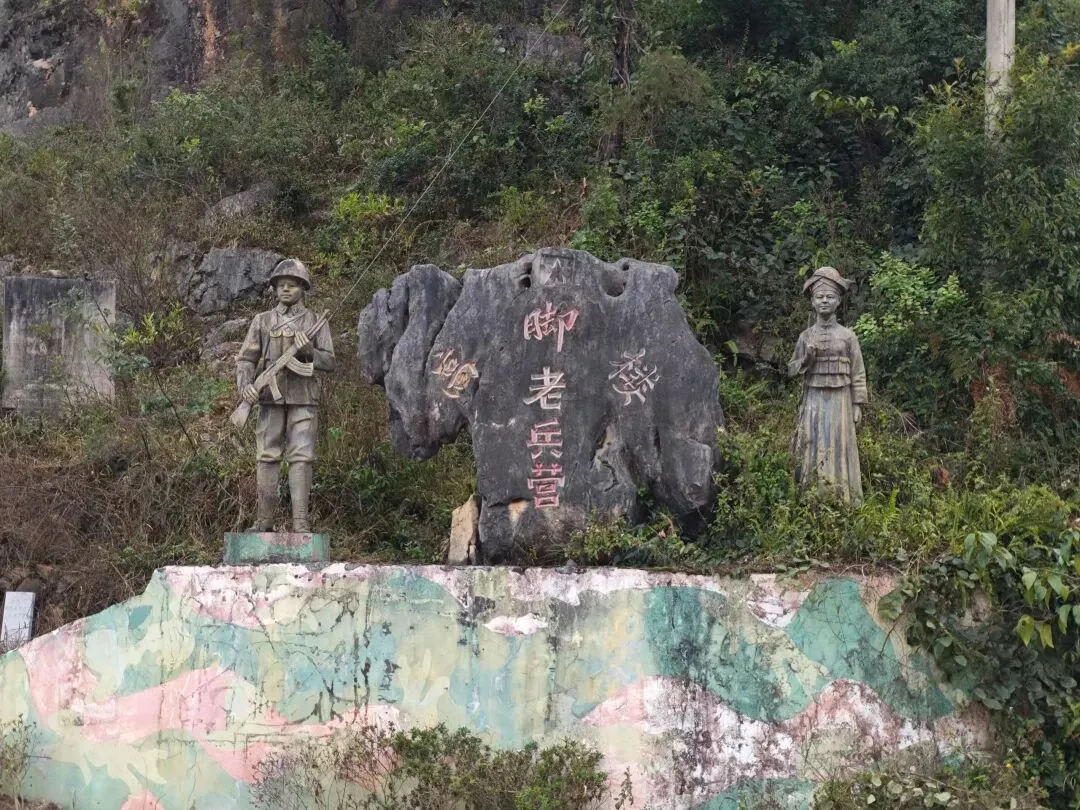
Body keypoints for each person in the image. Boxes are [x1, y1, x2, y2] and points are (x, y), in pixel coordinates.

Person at [236, 259, 335, 532]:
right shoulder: (262, 320)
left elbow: (330, 361)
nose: (285, 289)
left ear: (303, 288)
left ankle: (301, 522)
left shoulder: (315, 321)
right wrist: (246, 385)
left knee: (302, 456)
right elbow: (246, 359)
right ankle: (263, 521)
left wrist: (309, 352)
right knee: (266, 455)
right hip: (269, 397)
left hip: (304, 397)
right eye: (281, 285)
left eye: (292, 285)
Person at [787, 266, 866, 505]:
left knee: (840, 444)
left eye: (829, 296)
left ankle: (844, 498)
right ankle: (812, 497)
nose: (824, 301)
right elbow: (791, 369)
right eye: (819, 297)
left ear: (838, 301)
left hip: (841, 400)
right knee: (813, 443)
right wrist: (806, 359)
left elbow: (858, 371)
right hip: (814, 399)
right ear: (812, 302)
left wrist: (857, 404)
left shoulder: (848, 336)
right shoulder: (806, 337)